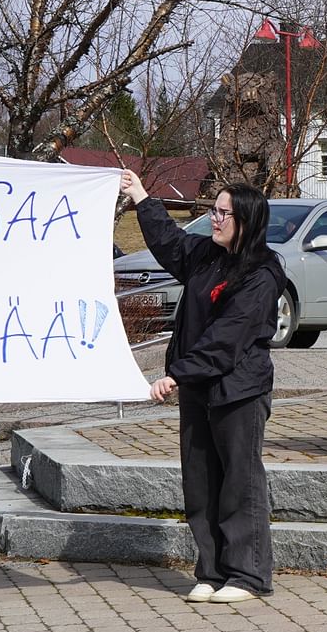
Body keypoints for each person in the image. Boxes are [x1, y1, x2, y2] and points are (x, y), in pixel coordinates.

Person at [122, 170, 285, 604]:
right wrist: (141, 196)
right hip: (197, 388)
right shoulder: (205, 255)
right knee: (201, 481)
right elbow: (169, 242)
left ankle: (247, 574)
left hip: (237, 390)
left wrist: (177, 373)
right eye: (213, 210)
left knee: (239, 480)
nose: (214, 219)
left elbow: (228, 337)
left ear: (245, 221)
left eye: (223, 213)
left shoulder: (262, 272)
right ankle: (210, 571)